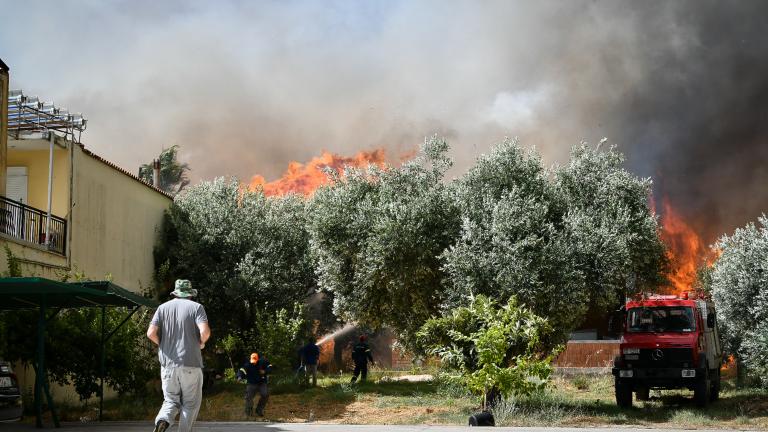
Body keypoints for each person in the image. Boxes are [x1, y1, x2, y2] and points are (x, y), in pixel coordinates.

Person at [146, 279, 211, 432]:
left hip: (168, 365)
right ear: (190, 294)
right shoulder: (197, 308)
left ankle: (163, 420)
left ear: (175, 293)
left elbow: (150, 333)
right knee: (190, 404)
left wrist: (162, 344)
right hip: (190, 363)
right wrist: (201, 342)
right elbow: (205, 332)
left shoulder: (162, 308)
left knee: (170, 400)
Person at [237, 352, 272, 417]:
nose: (254, 362)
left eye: (255, 361)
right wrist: (239, 377)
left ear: (258, 359)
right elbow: (241, 370)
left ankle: (259, 410)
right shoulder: (248, 364)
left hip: (262, 382)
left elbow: (269, 366)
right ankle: (249, 412)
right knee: (248, 397)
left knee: (265, 394)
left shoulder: (263, 362)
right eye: (252, 361)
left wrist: (265, 371)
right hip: (251, 383)